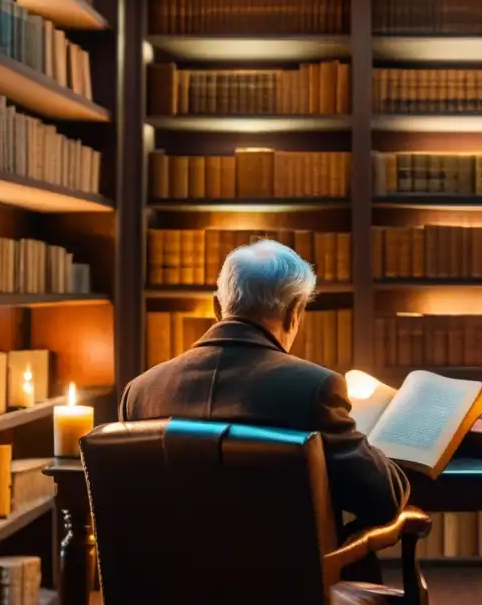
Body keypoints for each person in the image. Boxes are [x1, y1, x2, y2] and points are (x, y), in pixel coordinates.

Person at [119, 239, 410, 582]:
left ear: (217, 307)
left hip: (174, 603)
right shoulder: (314, 389)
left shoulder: (139, 393)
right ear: (294, 312)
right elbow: (382, 499)